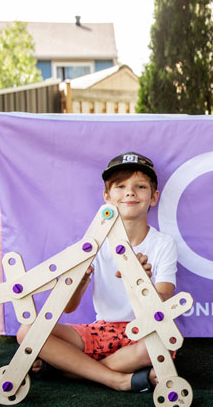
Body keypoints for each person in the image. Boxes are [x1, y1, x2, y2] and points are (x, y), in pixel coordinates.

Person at [16, 151, 178, 392]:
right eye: (120, 186)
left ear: (153, 197)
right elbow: (69, 307)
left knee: (158, 345)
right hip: (100, 330)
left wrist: (143, 282)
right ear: (107, 197)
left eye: (140, 186)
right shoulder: (93, 243)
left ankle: (75, 370)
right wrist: (79, 282)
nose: (130, 192)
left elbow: (165, 302)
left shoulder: (163, 244)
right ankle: (118, 379)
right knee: (27, 332)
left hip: (142, 331)